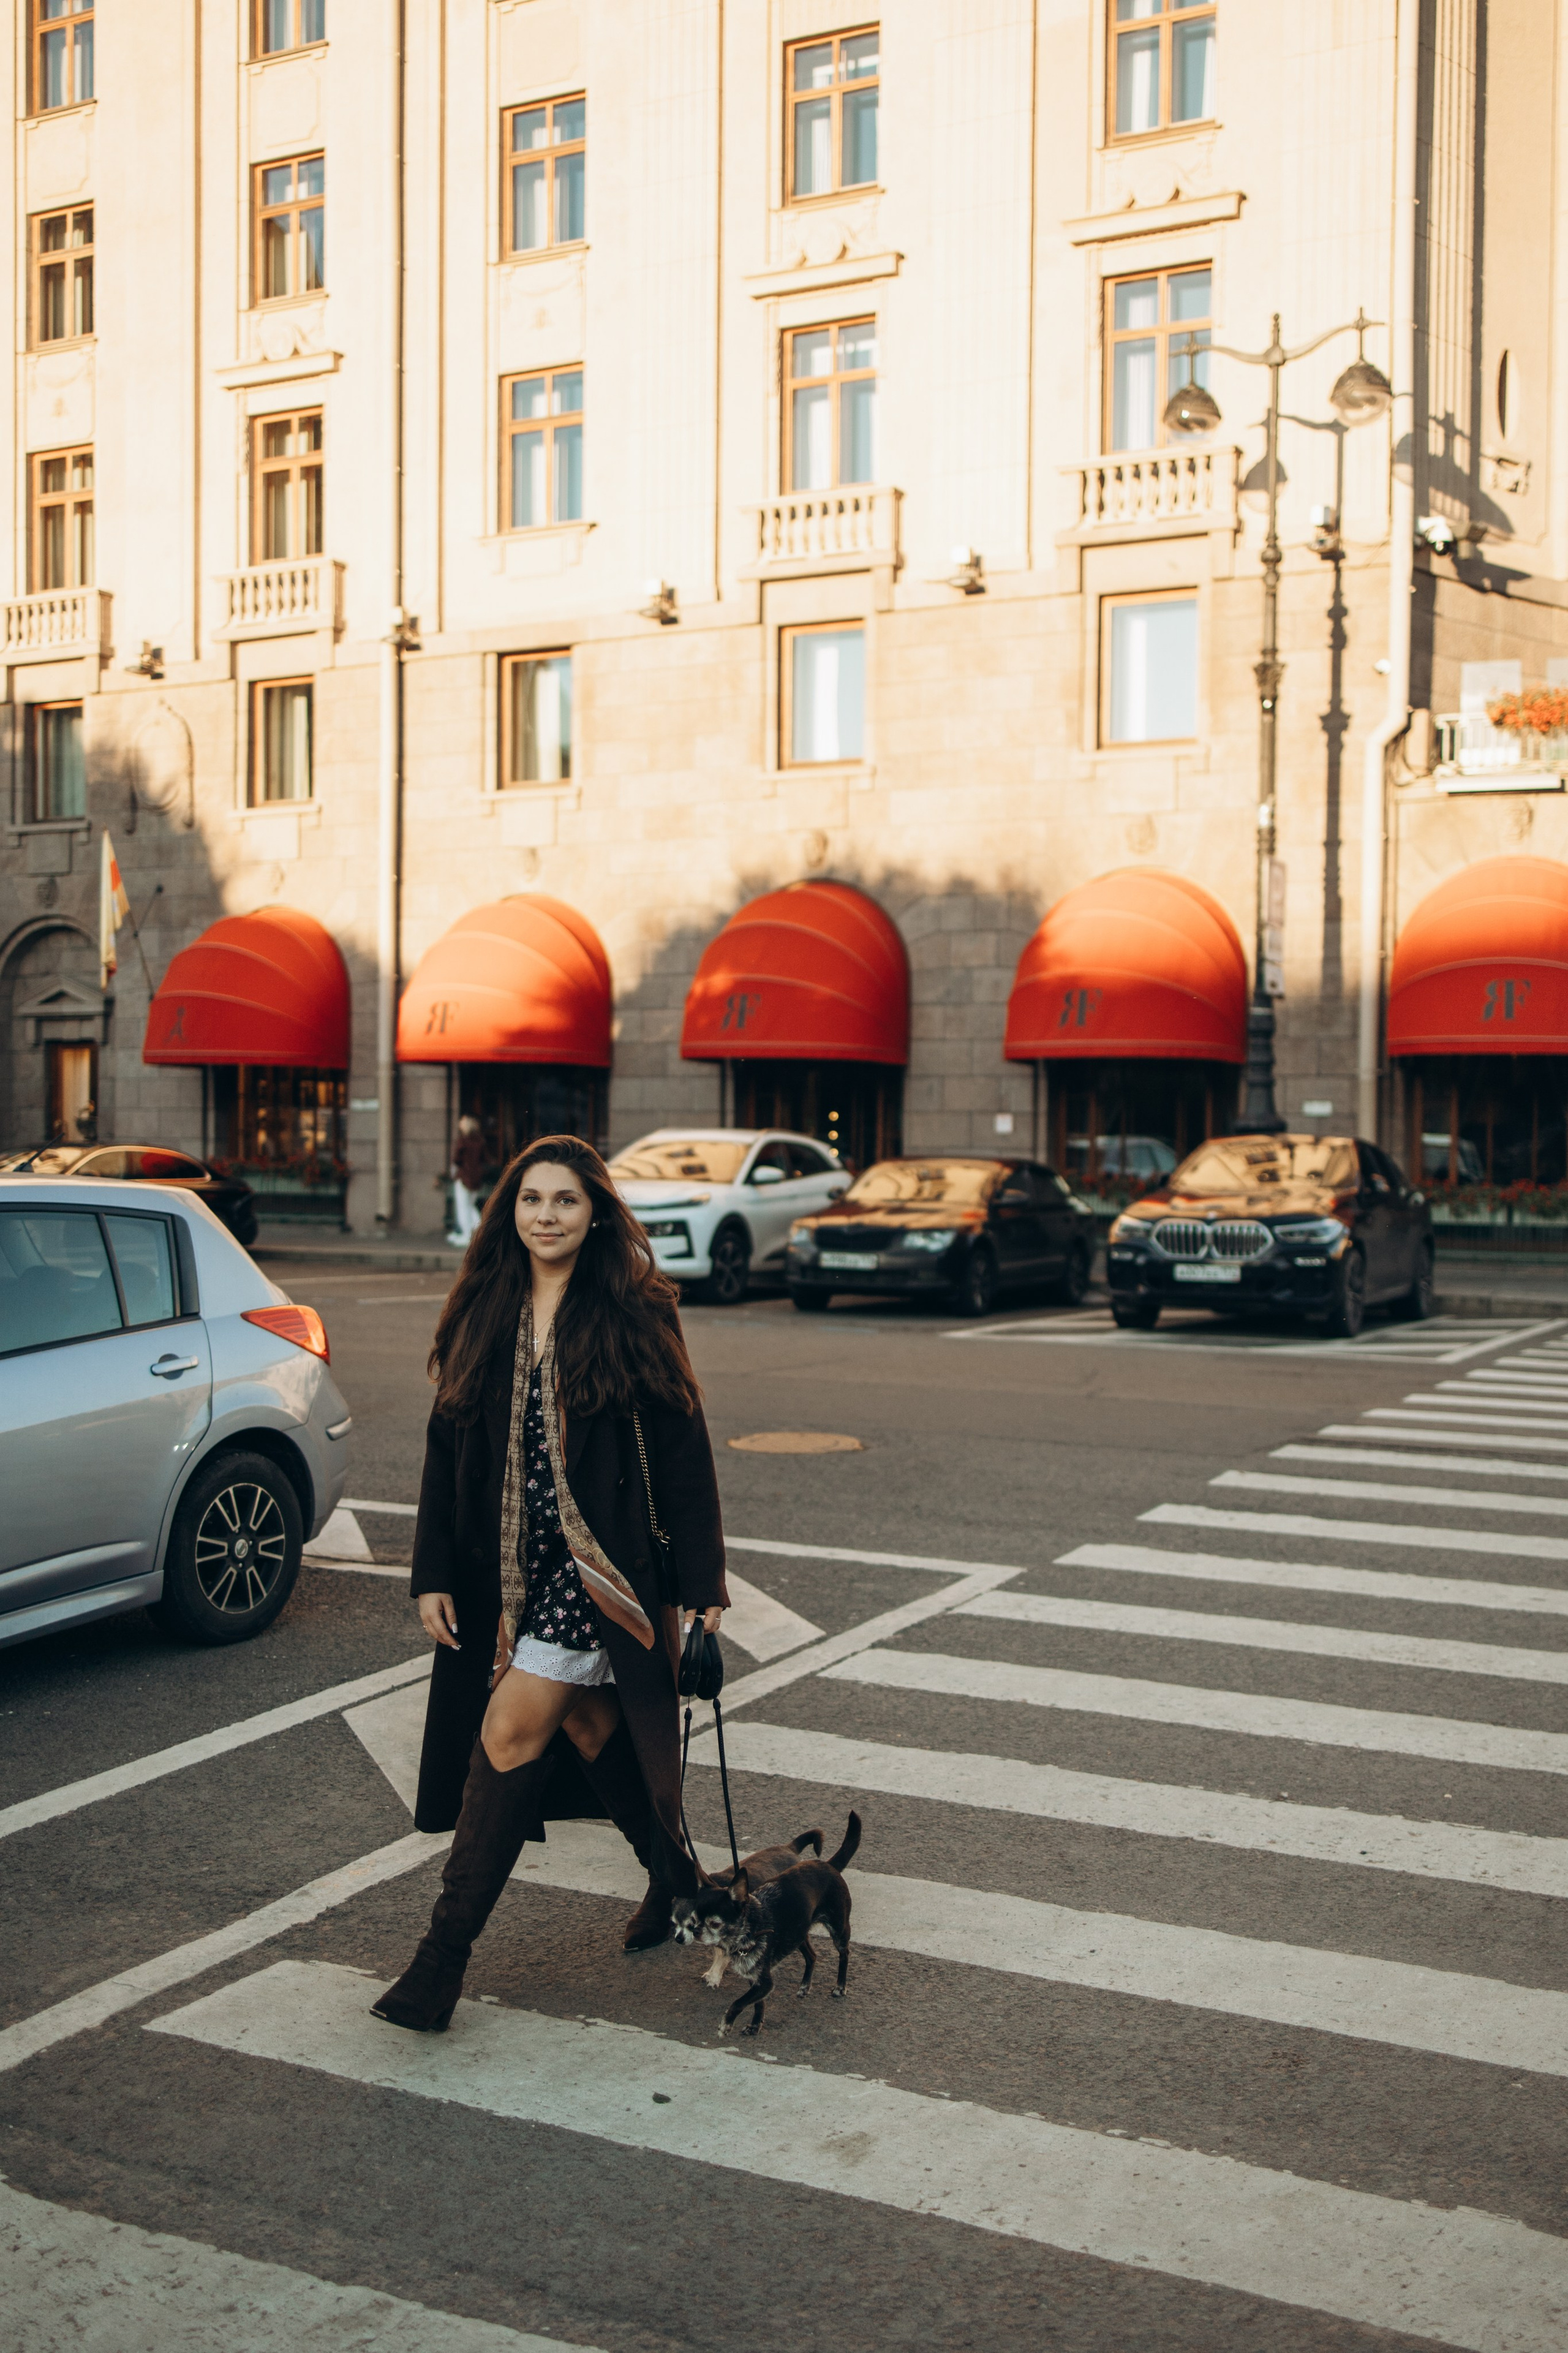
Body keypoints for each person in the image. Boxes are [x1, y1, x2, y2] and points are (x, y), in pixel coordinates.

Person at [372, 1133, 728, 2033]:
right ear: (511, 1211)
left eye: (566, 1201)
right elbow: (447, 1441)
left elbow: (683, 1442)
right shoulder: (485, 1306)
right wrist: (432, 1572)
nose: (547, 1216)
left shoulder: (635, 1306)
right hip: (512, 1570)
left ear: (596, 1211)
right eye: (532, 1200)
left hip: (603, 1569)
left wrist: (703, 1578)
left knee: (509, 1725)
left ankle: (440, 1962)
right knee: (586, 1717)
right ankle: (681, 1886)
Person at [447, 1116, 486, 1246]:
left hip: (464, 1177)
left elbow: (457, 1159)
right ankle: (482, 1232)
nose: (460, 1125)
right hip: (476, 1178)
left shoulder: (463, 1141)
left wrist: (453, 1172)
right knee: (470, 1205)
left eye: (462, 1124)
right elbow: (484, 1159)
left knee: (463, 1207)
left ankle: (466, 1235)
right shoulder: (480, 1141)